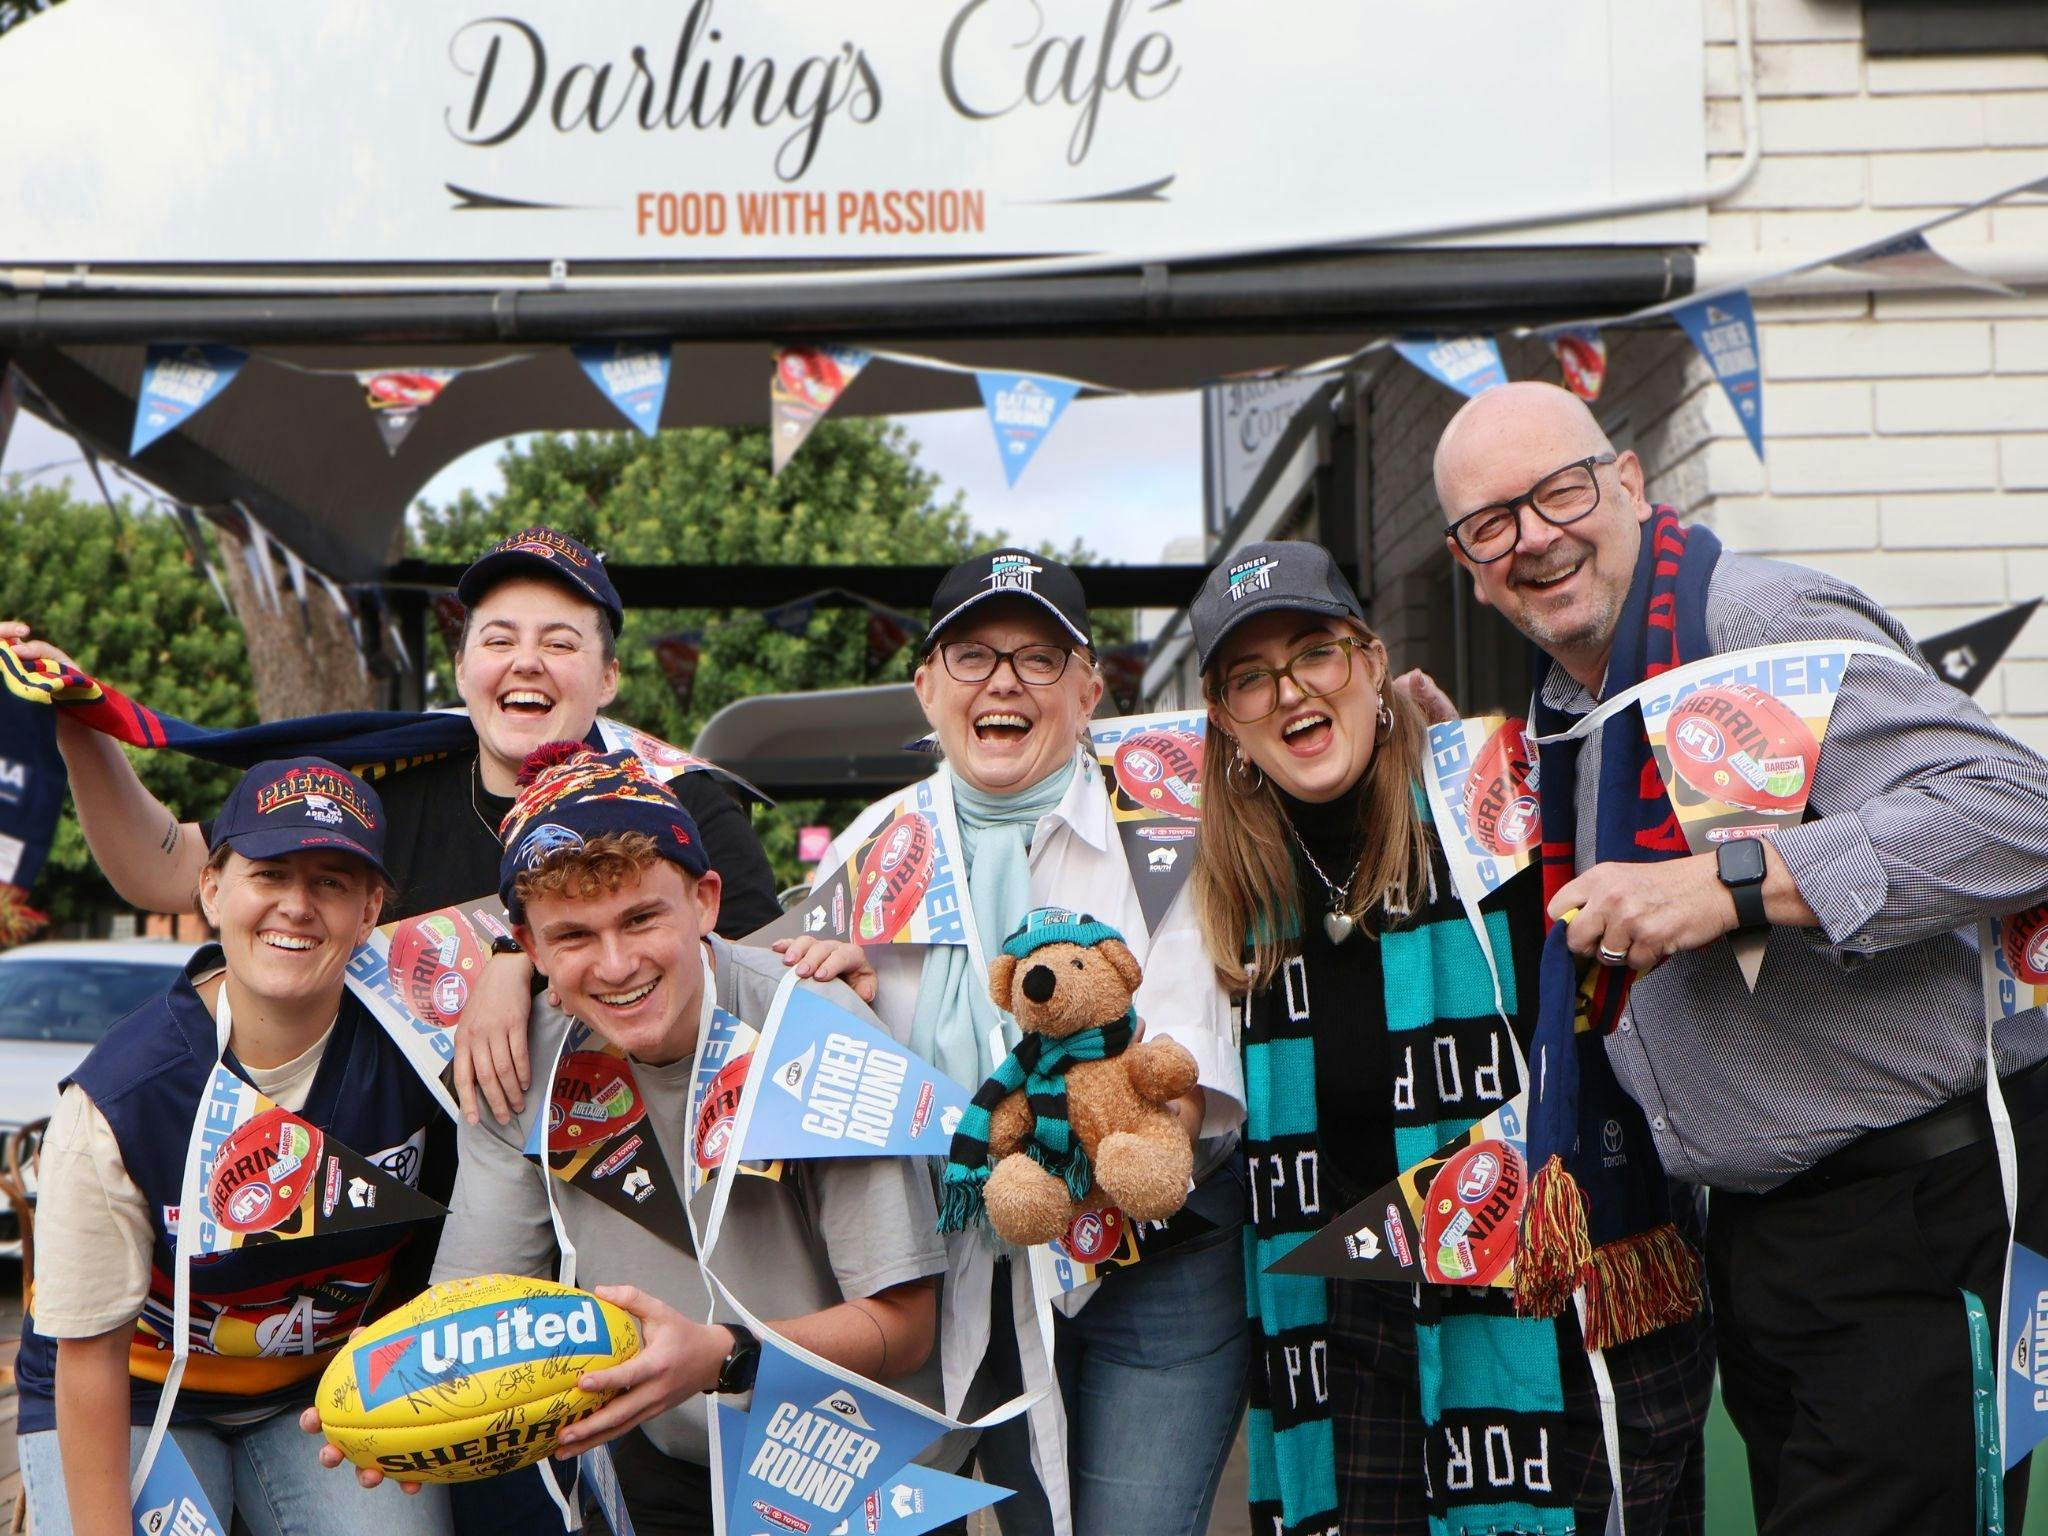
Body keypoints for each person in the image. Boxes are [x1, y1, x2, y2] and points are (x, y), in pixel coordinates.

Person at [1431, 380, 2048, 1535]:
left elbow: (2019, 813)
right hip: (1759, 1243)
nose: (1532, 538)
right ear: (1467, 564)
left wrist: (1730, 886)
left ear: (1624, 483)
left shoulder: (1750, 625)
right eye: (1490, 523)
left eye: (1557, 493)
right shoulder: (1572, 705)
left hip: (1908, 1222)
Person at [1184, 540, 1713, 1536]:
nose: (1288, 691)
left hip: (1546, 1293)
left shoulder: (1504, 804)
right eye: (1248, 678)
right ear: (1224, 721)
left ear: (1370, 663)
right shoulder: (1220, 894)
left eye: (1314, 653)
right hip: (1341, 1325)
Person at [311, 744, 944, 1536]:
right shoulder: (519, 1060)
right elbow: (475, 1311)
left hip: (849, 1465)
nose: (617, 965)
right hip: (658, 1463)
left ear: (706, 900)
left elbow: (905, 1326)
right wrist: (404, 1386)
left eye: (641, 918)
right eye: (573, 936)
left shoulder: (813, 1028)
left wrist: (721, 1353)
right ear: (530, 949)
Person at [0, 523, 781, 1127]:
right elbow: (167, 869)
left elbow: (755, 992)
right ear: (465, 668)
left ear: (608, 678)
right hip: (407, 1203)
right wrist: (80, 722)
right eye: (499, 639)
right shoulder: (388, 786)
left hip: (631, 1179)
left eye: (560, 643)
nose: (526, 661)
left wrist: (521, 964)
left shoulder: (684, 800)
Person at [776, 550, 1249, 1536]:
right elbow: (829, 1090)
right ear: (925, 688)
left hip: (1154, 1267)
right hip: (972, 1265)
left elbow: (1180, 1083)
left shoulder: (1160, 826)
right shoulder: (871, 851)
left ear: (1086, 691)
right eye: (971, 655)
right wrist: (856, 1017)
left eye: (1038, 658)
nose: (1002, 681)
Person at [15, 757, 452, 1536]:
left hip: (324, 1392)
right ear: (212, 889)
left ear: (371, 908)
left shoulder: (424, 1048)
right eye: (270, 872)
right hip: (139, 1389)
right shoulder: (122, 1096)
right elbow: (87, 1356)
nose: (297, 905)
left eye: (333, 881)